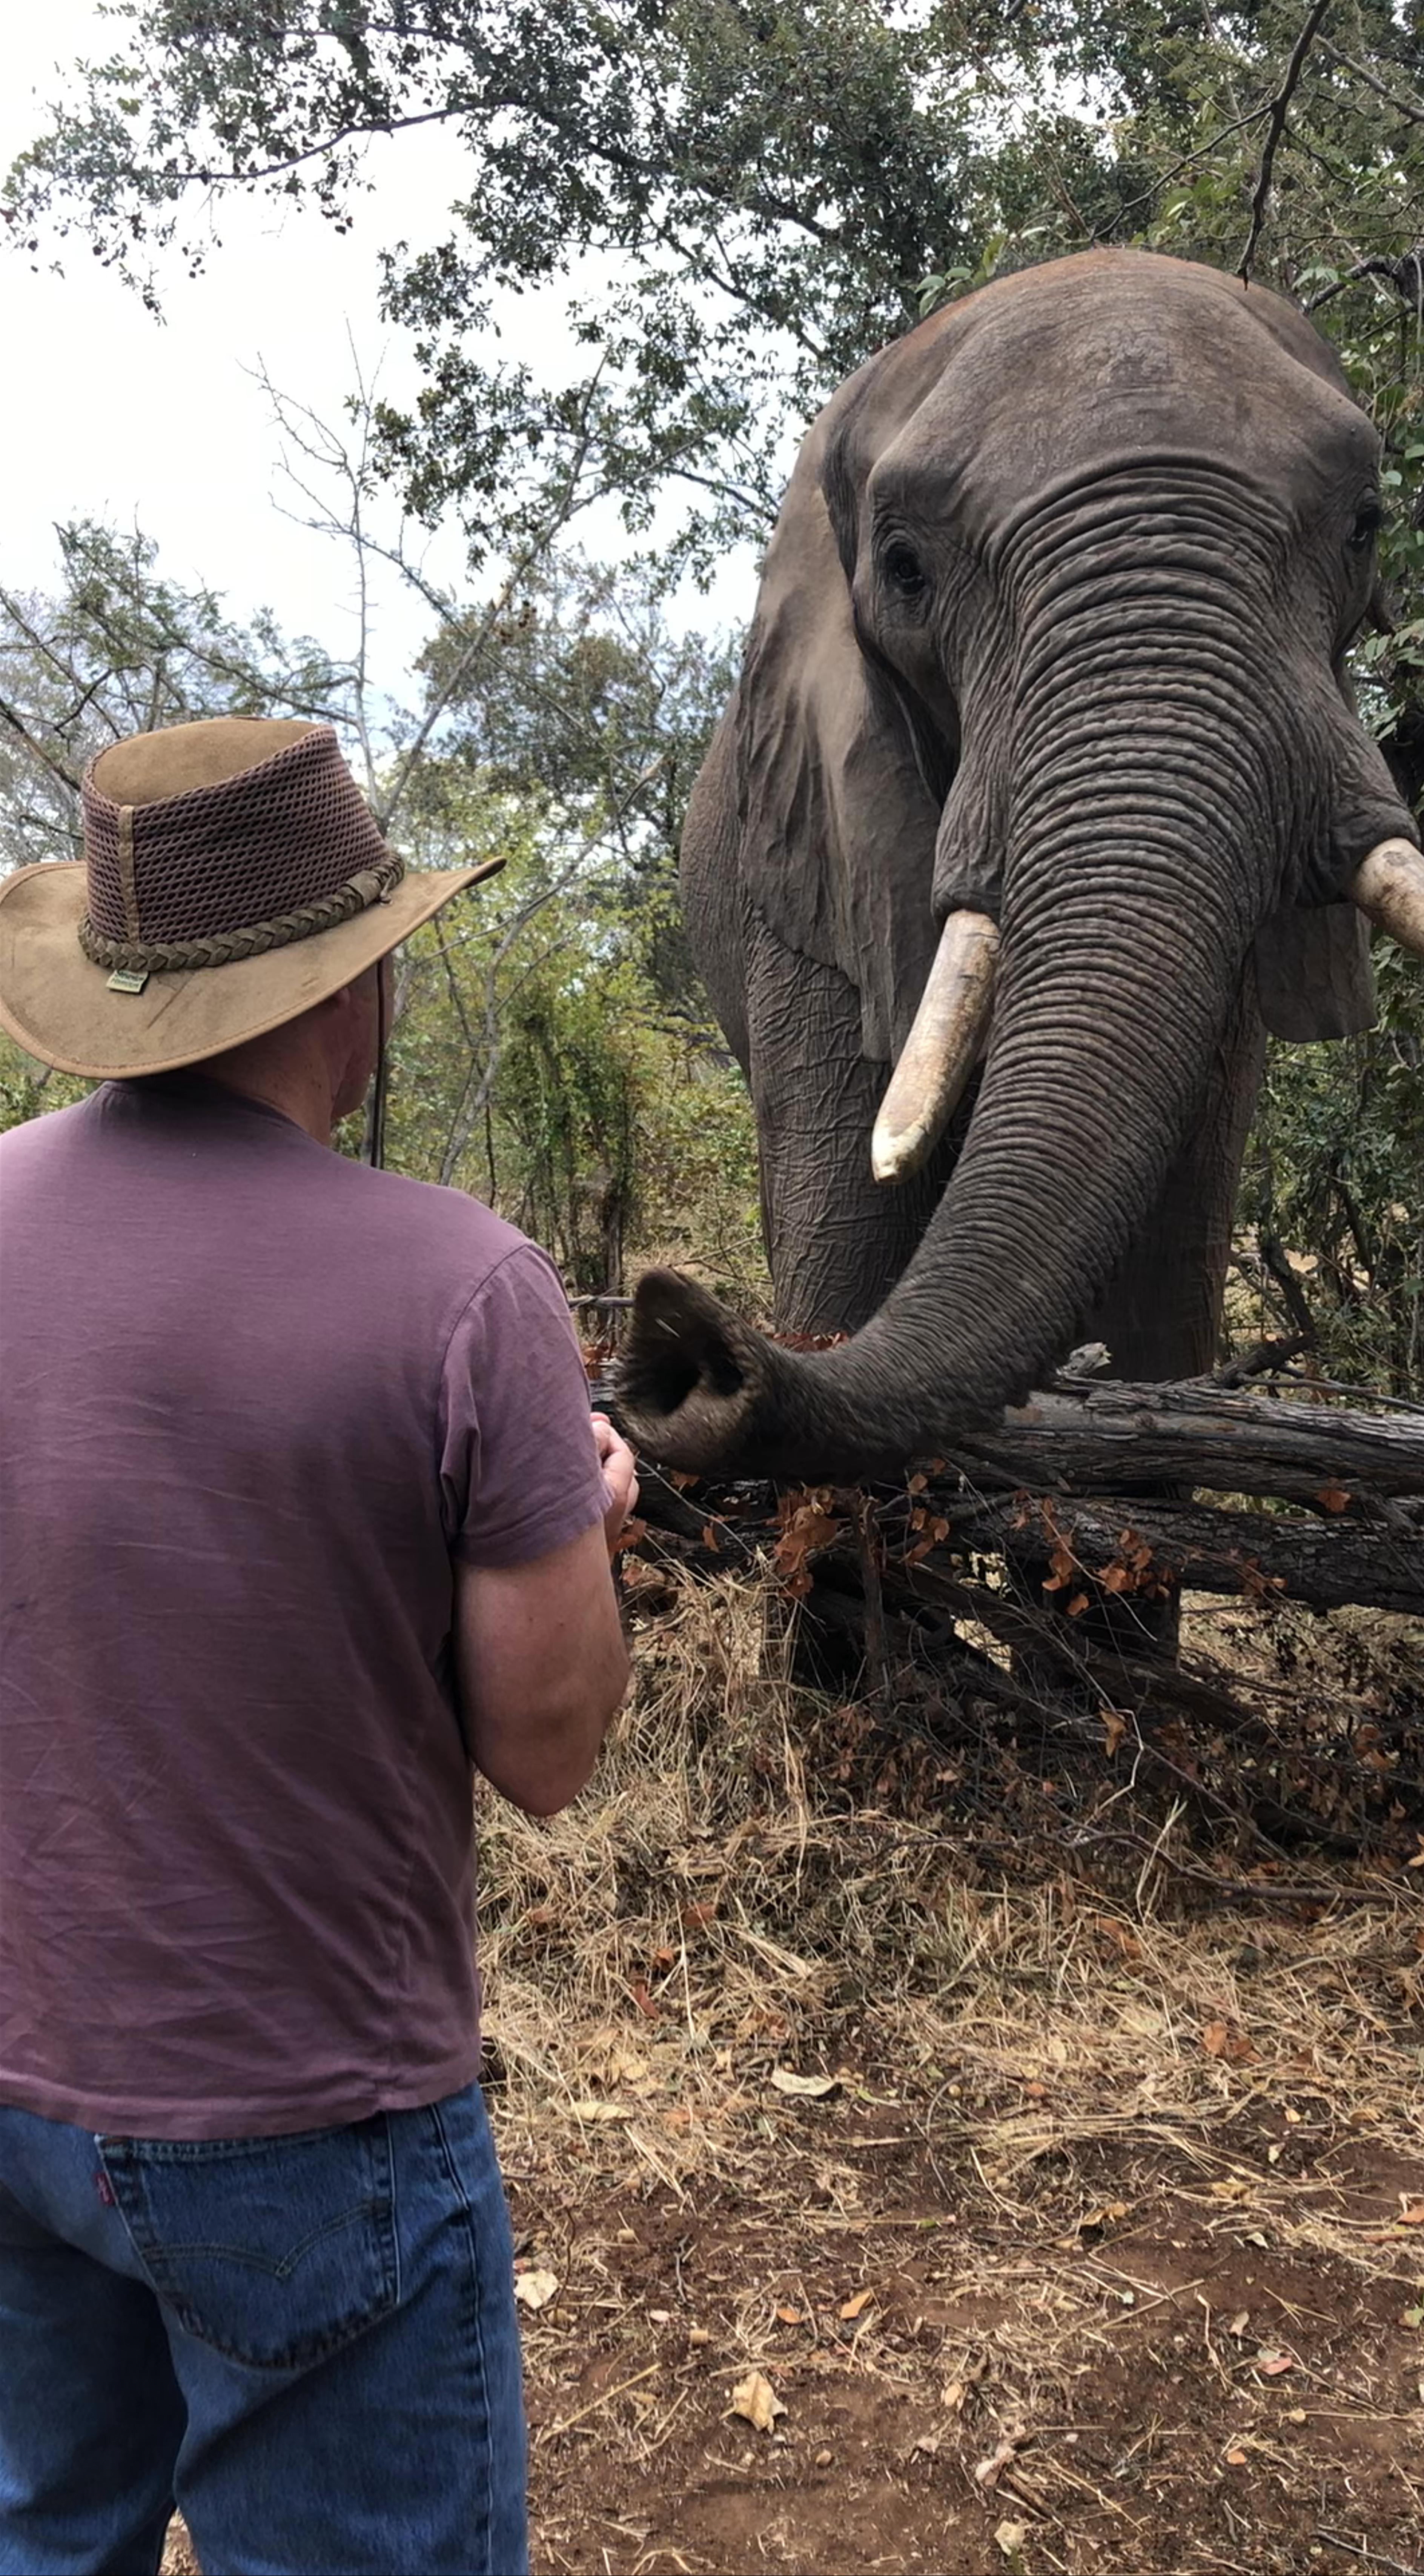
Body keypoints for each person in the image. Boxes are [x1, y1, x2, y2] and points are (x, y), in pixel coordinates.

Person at [0, 715, 638, 2576]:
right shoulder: (465, 1286)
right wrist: (578, 1525)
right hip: (313, 2114)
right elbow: (549, 1748)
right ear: (353, 984)